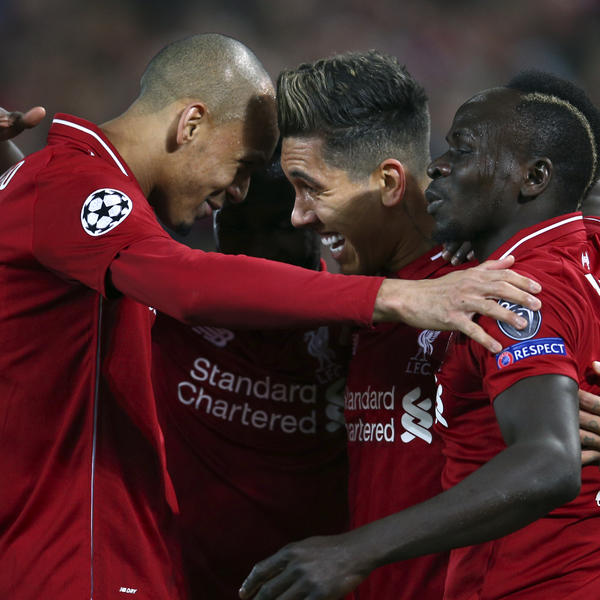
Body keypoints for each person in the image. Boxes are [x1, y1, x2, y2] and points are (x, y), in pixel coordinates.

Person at [0, 33, 544, 599]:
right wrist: (394, 297)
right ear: (191, 124)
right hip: (75, 565)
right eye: (244, 166)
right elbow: (185, 282)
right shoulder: (74, 186)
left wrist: (555, 390)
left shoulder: (67, 196)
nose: (242, 193)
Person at [240, 69, 600, 600]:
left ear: (388, 182)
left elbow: (547, 460)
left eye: (312, 188)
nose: (297, 217)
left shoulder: (500, 286)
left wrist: (353, 551)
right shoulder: (353, 297)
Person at [152, 153, 351, 599]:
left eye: (277, 227)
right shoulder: (172, 312)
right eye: (239, 226)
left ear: (314, 225)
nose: (256, 250)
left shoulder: (356, 329)